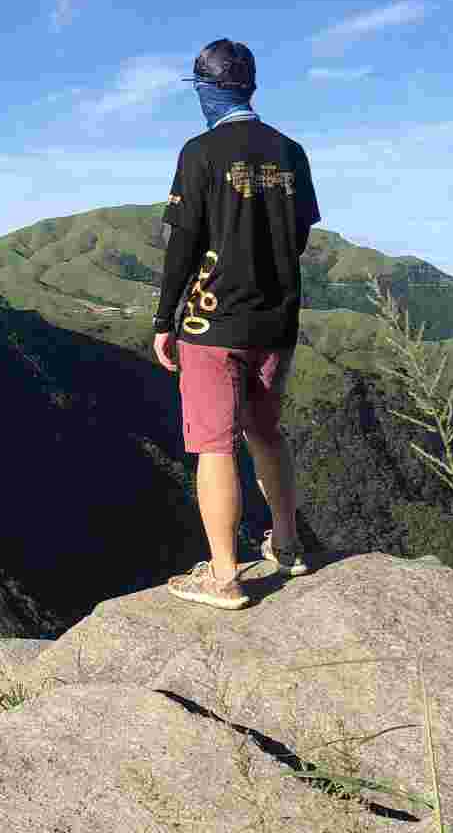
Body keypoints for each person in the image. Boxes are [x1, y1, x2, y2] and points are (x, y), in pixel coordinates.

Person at [151, 39, 320, 610]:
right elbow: (298, 237)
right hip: (276, 320)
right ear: (249, 87)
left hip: (212, 321)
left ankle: (224, 577)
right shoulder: (290, 151)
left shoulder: (199, 152)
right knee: (266, 431)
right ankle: (289, 545)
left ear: (206, 89)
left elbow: (183, 245)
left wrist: (163, 318)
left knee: (215, 446)